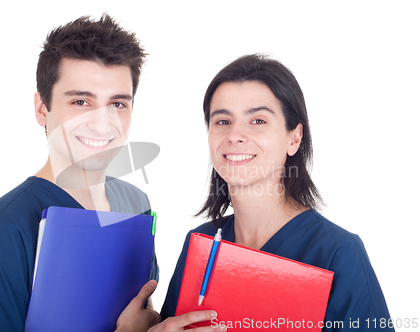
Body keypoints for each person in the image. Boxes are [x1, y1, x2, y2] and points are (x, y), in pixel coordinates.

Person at [0, 15, 164, 332]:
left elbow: (143, 314)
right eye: (81, 101)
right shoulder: (6, 226)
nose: (103, 124)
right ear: (42, 109)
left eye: (118, 103)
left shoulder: (136, 203)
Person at [160, 54, 395, 331]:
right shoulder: (201, 243)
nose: (235, 135)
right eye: (222, 121)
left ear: (294, 138)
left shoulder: (337, 252)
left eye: (258, 121)